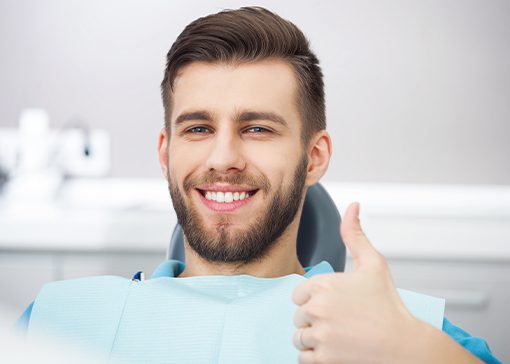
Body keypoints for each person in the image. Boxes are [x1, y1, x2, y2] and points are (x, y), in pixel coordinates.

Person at [17, 6, 500, 364]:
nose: (224, 159)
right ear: (166, 153)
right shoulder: (58, 319)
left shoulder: (407, 333)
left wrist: (413, 350)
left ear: (315, 158)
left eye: (257, 128)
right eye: (198, 129)